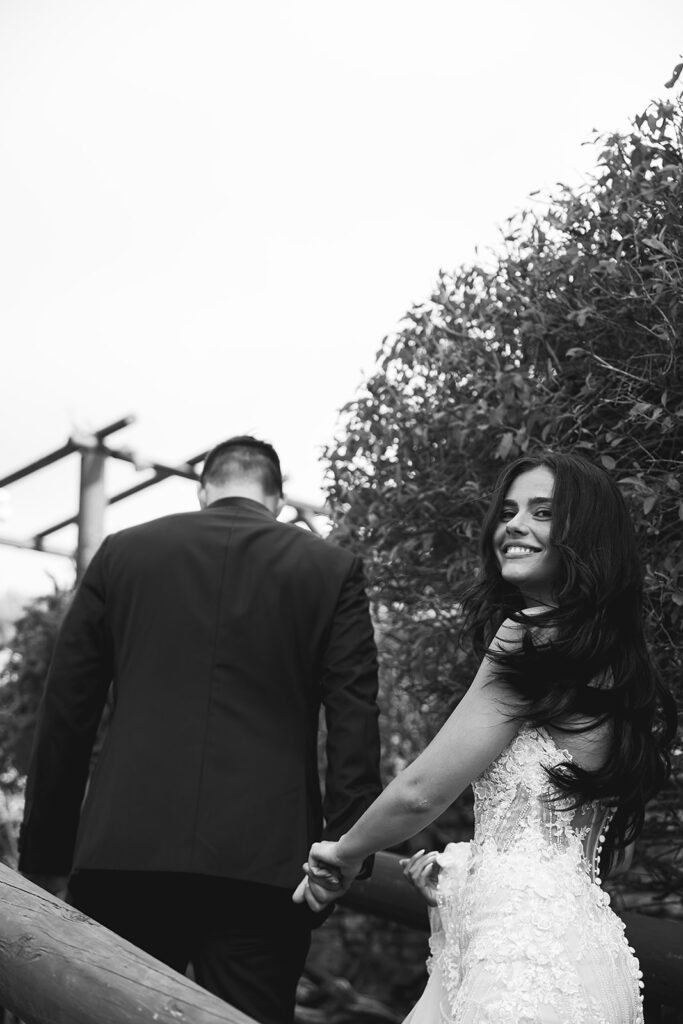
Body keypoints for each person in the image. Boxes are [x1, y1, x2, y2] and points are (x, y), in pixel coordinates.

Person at [294, 452, 677, 1023]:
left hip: (519, 961)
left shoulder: (532, 634)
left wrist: (343, 853)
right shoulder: (620, 667)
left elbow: (422, 791)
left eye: (542, 512)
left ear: (586, 534)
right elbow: (562, 846)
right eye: (508, 510)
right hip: (590, 959)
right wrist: (467, 875)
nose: (513, 526)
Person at [19, 435, 381, 1024]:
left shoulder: (122, 554)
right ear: (279, 499)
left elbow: (67, 712)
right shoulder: (330, 569)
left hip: (124, 856)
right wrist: (344, 853)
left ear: (203, 489)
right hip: (266, 867)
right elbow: (354, 718)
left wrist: (47, 856)